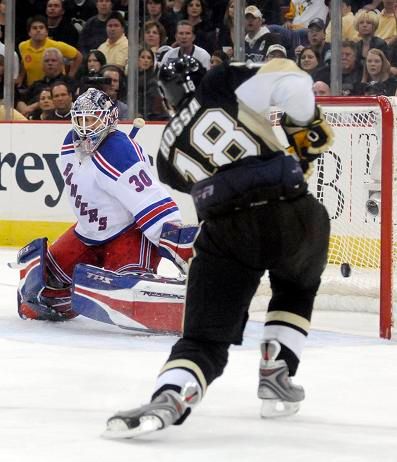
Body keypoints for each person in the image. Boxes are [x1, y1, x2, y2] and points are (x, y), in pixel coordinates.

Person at [103, 55, 334, 438]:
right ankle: (278, 368)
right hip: (293, 211)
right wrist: (303, 127)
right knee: (296, 286)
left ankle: (172, 393)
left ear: (166, 96)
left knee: (203, 339)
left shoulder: (164, 155)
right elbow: (292, 80)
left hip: (226, 231)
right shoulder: (222, 81)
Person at [17, 87, 185, 322]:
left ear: (109, 119)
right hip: (87, 234)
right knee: (38, 294)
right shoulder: (70, 143)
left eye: (92, 119)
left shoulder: (118, 151)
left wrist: (182, 250)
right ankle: (78, 296)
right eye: (81, 119)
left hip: (129, 234)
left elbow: (153, 203)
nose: (85, 128)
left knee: (129, 294)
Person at [18, 15, 83, 87]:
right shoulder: (23, 46)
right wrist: (20, 77)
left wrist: (70, 76)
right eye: (34, 28)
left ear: (46, 32)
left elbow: (78, 56)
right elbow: (24, 61)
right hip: (33, 89)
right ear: (29, 33)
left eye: (41, 28)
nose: (38, 30)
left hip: (55, 87)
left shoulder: (57, 46)